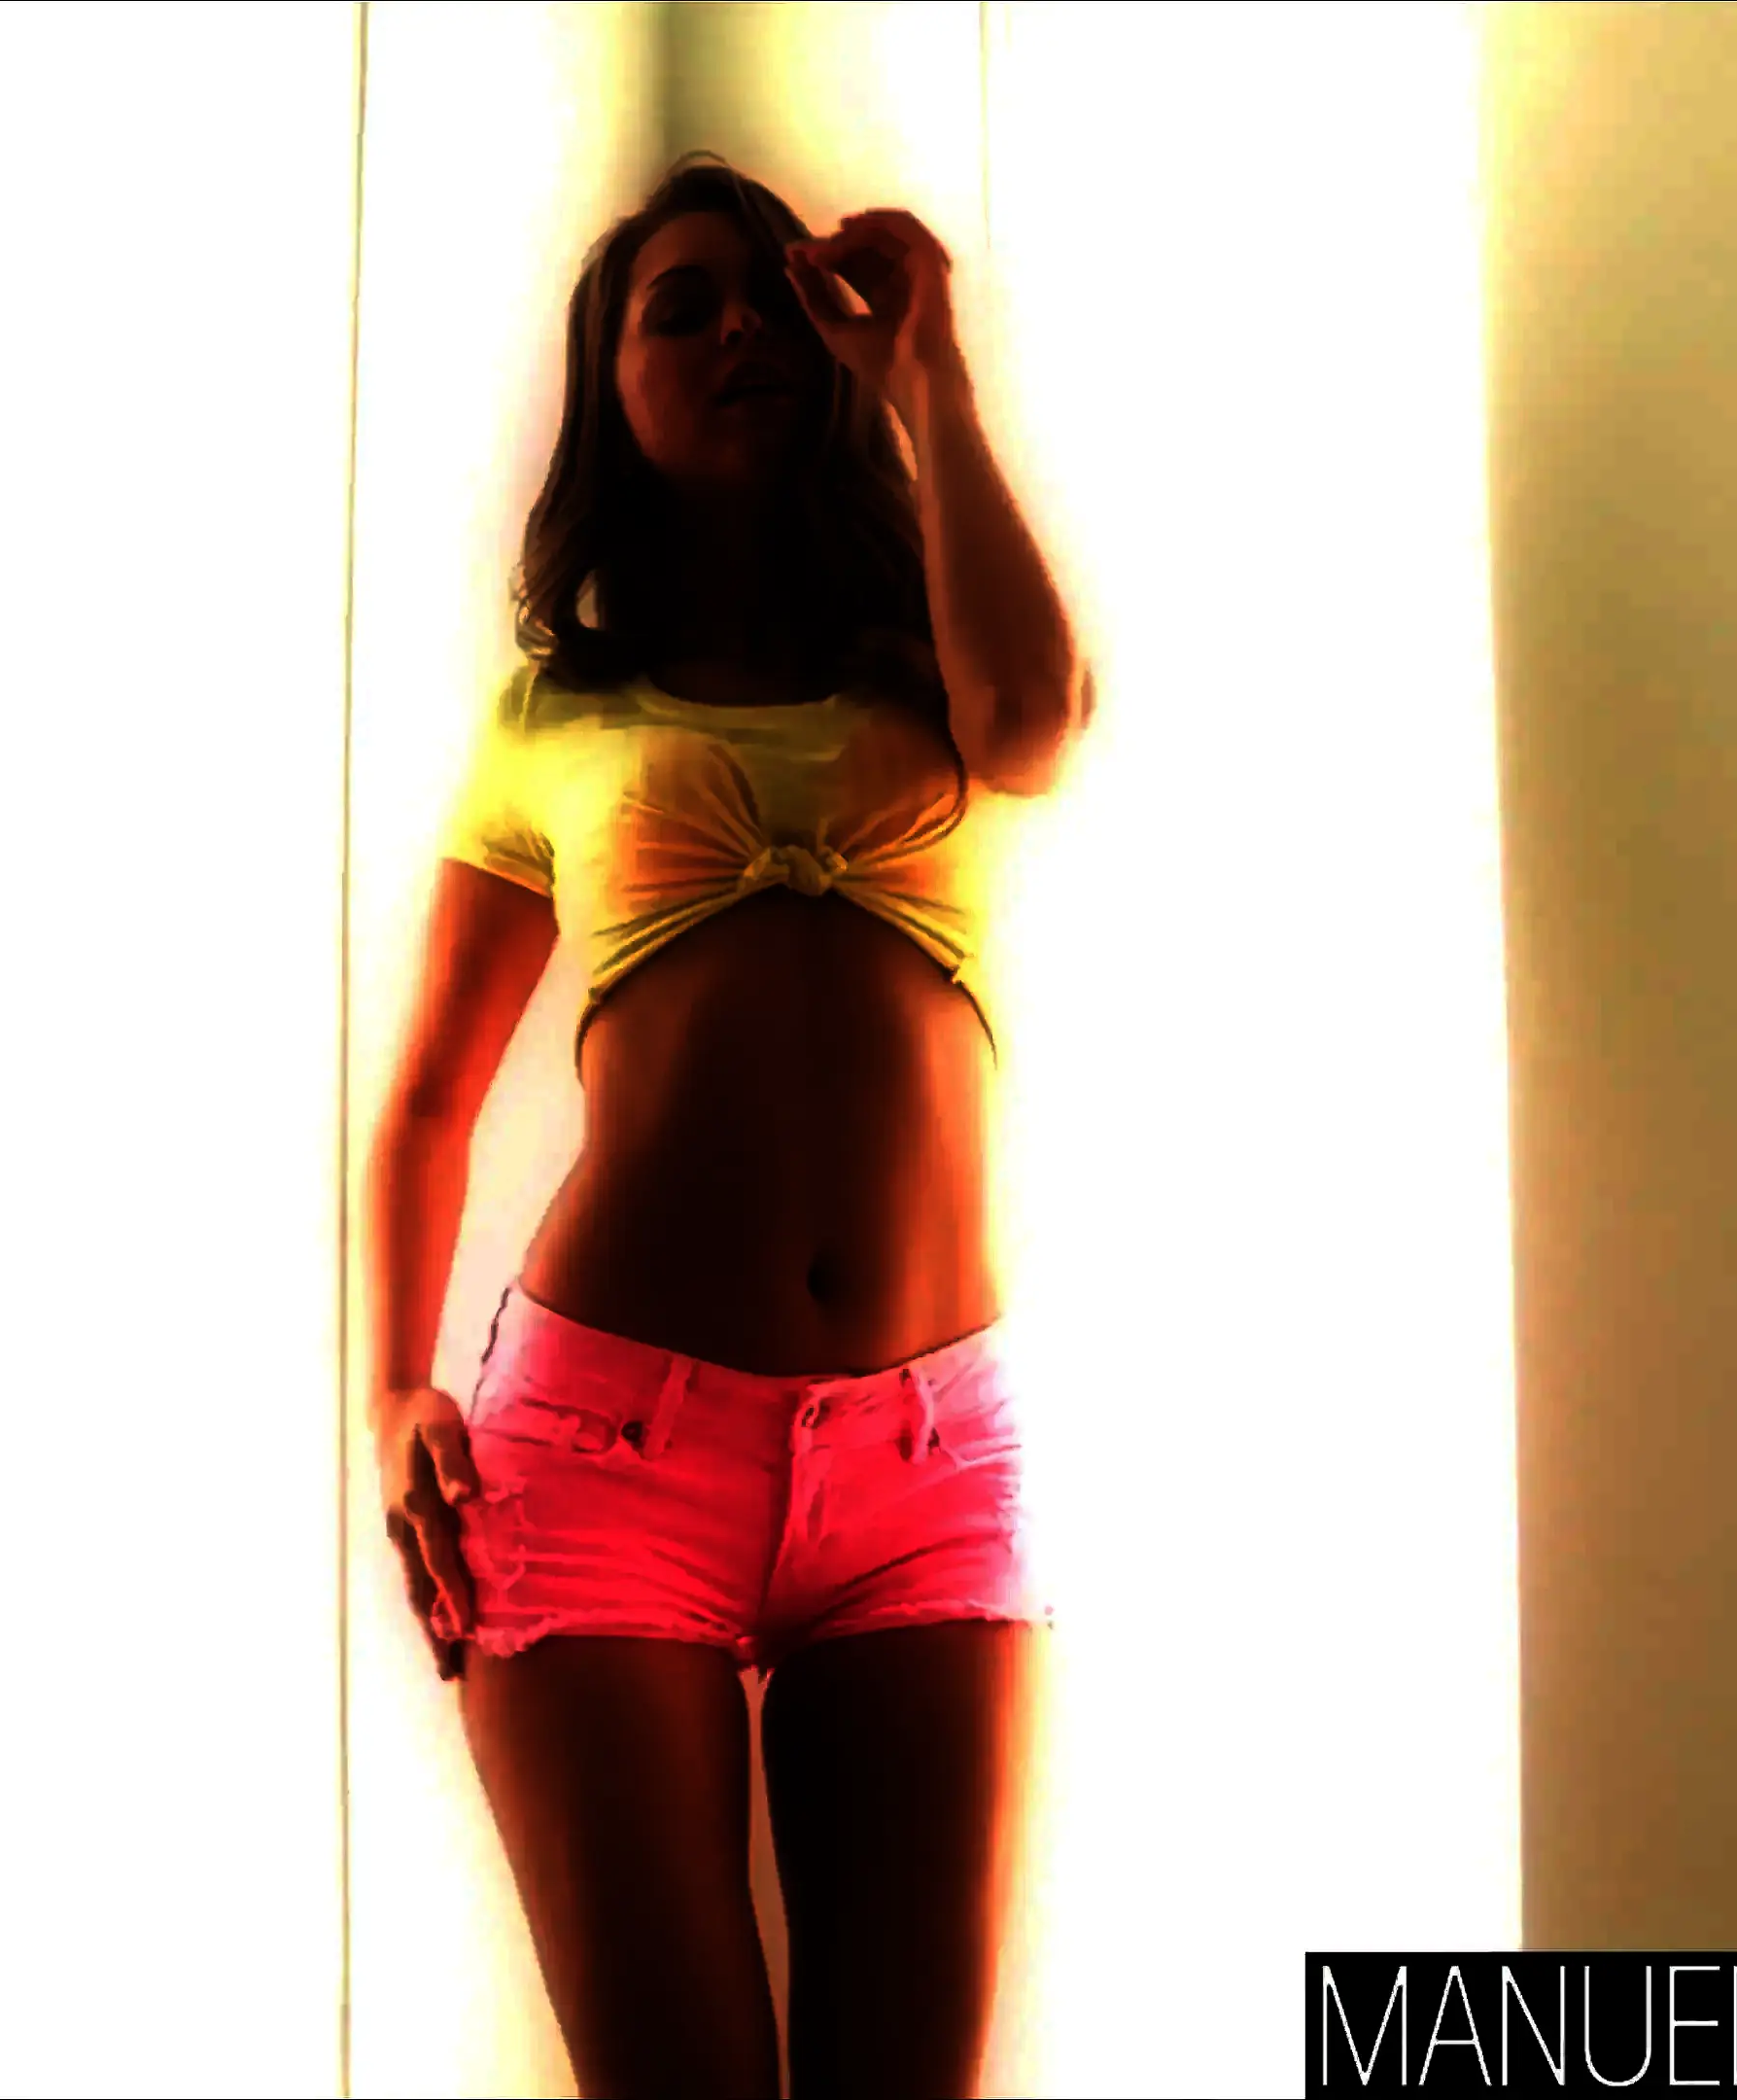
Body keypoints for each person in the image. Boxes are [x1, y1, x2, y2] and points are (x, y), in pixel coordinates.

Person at [364, 156, 1093, 2099]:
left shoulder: (930, 661)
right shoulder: (556, 713)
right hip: (606, 1459)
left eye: (767, 295)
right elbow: (429, 1096)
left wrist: (930, 371)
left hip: (928, 1469)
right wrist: (393, 1388)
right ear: (609, 389)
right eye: (677, 308)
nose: (738, 327)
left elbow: (1040, 719)